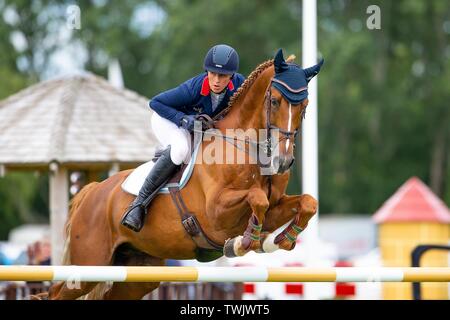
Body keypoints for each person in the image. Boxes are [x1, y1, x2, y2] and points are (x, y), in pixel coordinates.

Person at [121, 44, 246, 232]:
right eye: (212, 74)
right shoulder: (194, 88)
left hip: (196, 127)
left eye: (222, 76)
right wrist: (183, 119)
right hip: (167, 119)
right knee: (181, 150)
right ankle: (138, 205)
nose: (216, 80)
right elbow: (155, 102)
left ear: (231, 76)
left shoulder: (239, 85)